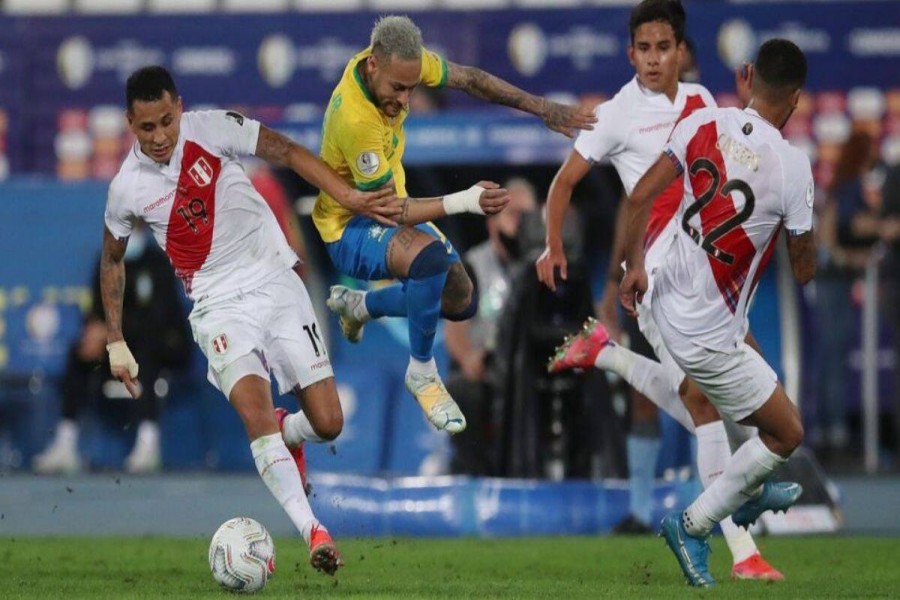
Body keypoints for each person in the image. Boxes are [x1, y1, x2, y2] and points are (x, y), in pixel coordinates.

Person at [102, 66, 398, 576]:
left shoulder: (214, 129)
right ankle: (314, 532)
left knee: (328, 422)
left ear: (180, 106)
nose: (159, 137)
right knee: (254, 411)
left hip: (275, 280)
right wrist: (115, 340)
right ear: (130, 122)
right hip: (218, 305)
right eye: (146, 127)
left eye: (167, 121)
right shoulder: (125, 189)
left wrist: (347, 196)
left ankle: (292, 433)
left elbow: (284, 151)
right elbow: (112, 259)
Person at [536, 0, 783, 580]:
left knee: (753, 398)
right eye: (643, 50)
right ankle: (742, 551)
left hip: (709, 273)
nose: (652, 60)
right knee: (704, 402)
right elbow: (563, 183)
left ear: (681, 52)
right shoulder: (617, 114)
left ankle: (607, 355)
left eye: (662, 48)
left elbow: (733, 159)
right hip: (655, 275)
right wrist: (554, 244)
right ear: (631, 54)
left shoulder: (699, 102)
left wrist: (749, 110)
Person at [319, 15, 596, 436]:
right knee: (429, 260)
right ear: (373, 65)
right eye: (398, 88)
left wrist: (541, 107)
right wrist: (466, 200)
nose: (407, 100)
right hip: (351, 227)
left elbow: (471, 80)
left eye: (413, 88)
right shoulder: (355, 120)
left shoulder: (395, 61)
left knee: (460, 300)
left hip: (388, 208)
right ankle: (423, 372)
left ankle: (360, 306)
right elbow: (390, 212)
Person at [618, 38, 814, 587]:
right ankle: (695, 523)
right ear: (796, 99)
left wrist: (633, 266)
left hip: (664, 297)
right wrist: (801, 225)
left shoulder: (701, 122)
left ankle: (747, 490)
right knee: (785, 433)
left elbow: (638, 199)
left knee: (750, 394)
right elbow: (803, 270)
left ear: (747, 76)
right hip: (705, 333)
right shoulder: (793, 168)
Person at [33, 223, 190, 475]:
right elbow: (97, 308)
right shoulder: (107, 261)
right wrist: (94, 333)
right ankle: (65, 442)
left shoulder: (157, 262)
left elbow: (158, 320)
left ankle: (147, 443)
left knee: (144, 356)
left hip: (162, 346)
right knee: (79, 354)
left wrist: (112, 330)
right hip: (118, 345)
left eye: (134, 229)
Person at [443, 178, 538, 474]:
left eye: (528, 216)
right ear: (491, 223)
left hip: (530, 370)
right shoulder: (471, 266)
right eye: (513, 216)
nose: (520, 225)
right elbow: (454, 331)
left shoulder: (544, 264)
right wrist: (469, 358)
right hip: (487, 371)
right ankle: (472, 476)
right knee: (464, 391)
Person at [813, 131, 883, 455]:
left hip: (831, 280)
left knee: (831, 355)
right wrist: (884, 228)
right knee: (832, 354)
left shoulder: (844, 184)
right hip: (832, 281)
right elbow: (845, 230)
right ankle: (834, 431)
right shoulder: (849, 186)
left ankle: (829, 427)